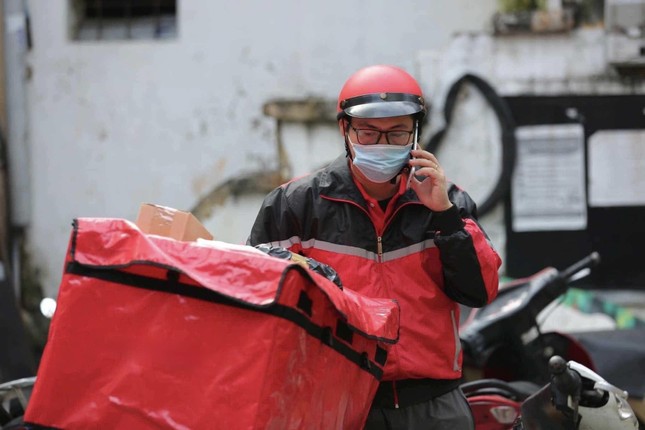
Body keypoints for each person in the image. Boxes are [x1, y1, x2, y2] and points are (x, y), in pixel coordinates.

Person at [247, 64, 501, 430]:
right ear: (344, 130)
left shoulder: (448, 202)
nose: (383, 144)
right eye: (368, 132)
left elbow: (479, 291)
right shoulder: (294, 205)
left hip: (434, 406)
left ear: (415, 133)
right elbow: (259, 302)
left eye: (397, 133)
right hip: (337, 404)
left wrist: (444, 215)